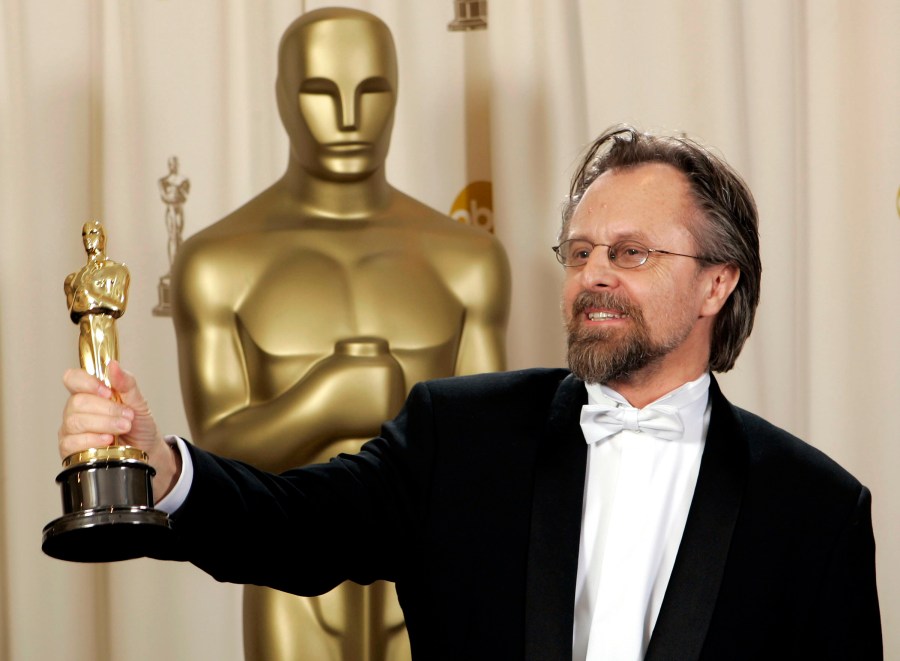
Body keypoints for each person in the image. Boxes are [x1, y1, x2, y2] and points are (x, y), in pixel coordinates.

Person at [59, 125, 883, 660]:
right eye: (580, 250)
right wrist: (163, 466)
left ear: (716, 284)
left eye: (630, 254)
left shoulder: (816, 509)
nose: (593, 273)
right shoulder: (460, 434)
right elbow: (296, 526)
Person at [168, 8, 509, 661]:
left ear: (398, 92)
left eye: (371, 91)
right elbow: (213, 457)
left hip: (429, 585)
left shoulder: (468, 260)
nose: (350, 118)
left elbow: (485, 457)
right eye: (321, 92)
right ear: (281, 99)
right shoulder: (218, 262)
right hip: (289, 595)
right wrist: (325, 400)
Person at [64, 220, 130, 389]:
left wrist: (91, 298)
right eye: (84, 234)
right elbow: (73, 311)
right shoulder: (73, 278)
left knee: (110, 385)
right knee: (89, 387)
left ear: (102, 238)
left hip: (104, 331)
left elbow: (119, 305)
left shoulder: (116, 270)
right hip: (85, 334)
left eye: (92, 233)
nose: (87, 238)